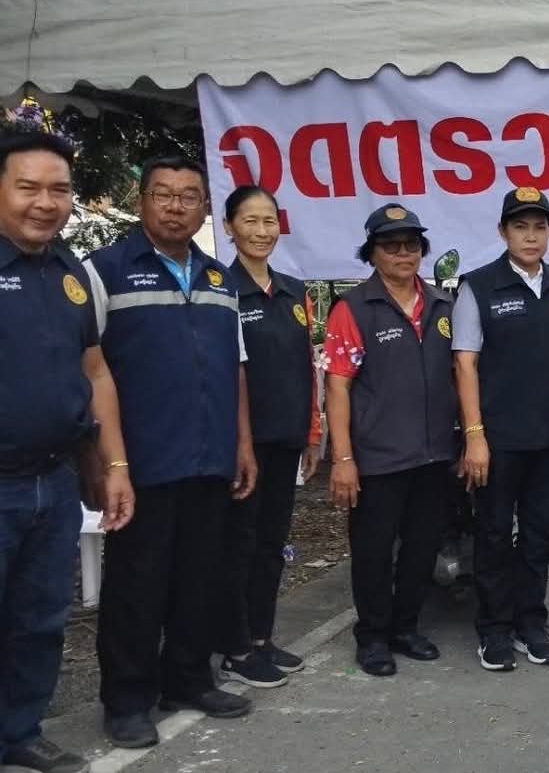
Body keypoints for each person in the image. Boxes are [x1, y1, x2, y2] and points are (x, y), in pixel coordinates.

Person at [83, 155, 258, 748]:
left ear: (205, 207)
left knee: (199, 577)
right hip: (142, 461)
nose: (176, 206)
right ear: (142, 202)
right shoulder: (104, 271)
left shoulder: (219, 279)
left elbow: (236, 367)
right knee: (137, 584)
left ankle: (187, 679)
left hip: (210, 456)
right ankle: (127, 700)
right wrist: (106, 460)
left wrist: (243, 444)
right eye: (163, 194)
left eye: (189, 196)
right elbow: (89, 370)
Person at [0, 133, 134, 773]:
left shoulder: (71, 273)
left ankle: (20, 731)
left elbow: (95, 371)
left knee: (39, 619)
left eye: (59, 190)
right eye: (28, 187)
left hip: (53, 482)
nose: (45, 203)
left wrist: (112, 465)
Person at [453, 186, 549, 672]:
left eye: (539, 227)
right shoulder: (478, 287)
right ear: (503, 232)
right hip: (498, 440)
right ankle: (494, 628)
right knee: (494, 534)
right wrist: (474, 435)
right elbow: (465, 364)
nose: (531, 236)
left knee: (540, 535)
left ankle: (530, 621)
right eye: (520, 227)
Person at [324, 203, 456, 677]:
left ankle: (405, 627)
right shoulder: (354, 308)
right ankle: (373, 636)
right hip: (377, 457)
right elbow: (337, 387)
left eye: (411, 245)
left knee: (422, 548)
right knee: (374, 552)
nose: (403, 253)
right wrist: (342, 458)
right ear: (372, 253)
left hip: (434, 453)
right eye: (391, 246)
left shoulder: (443, 305)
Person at [216, 186, 322, 688]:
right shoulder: (222, 289)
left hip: (286, 438)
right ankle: (234, 647)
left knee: (272, 543)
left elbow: (305, 367)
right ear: (229, 227)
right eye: (250, 221)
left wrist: (312, 432)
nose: (261, 232)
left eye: (269, 221)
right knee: (238, 545)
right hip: (243, 445)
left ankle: (261, 637)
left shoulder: (294, 291)